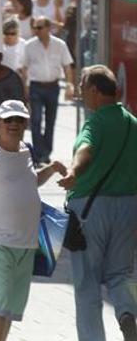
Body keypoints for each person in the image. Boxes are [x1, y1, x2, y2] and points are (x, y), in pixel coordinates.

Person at [0, 100, 66, 341]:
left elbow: (31, 181)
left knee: (11, 308)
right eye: (9, 119)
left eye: (19, 120)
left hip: (26, 242)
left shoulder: (27, 149)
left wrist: (52, 168)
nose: (14, 124)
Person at [57, 65, 137, 341]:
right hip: (128, 207)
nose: (80, 94)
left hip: (92, 211)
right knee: (121, 273)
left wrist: (73, 172)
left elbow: (85, 149)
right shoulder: (132, 123)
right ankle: (127, 312)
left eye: (81, 88)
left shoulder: (95, 122)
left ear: (94, 91)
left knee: (87, 280)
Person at [20, 16, 75, 162]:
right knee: (36, 120)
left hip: (53, 87)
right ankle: (38, 153)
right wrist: (25, 88)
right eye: (35, 27)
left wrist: (70, 85)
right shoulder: (29, 45)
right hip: (36, 87)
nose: (36, 30)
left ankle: (46, 152)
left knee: (51, 120)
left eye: (39, 27)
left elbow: (67, 66)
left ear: (48, 28)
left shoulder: (60, 44)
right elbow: (24, 67)